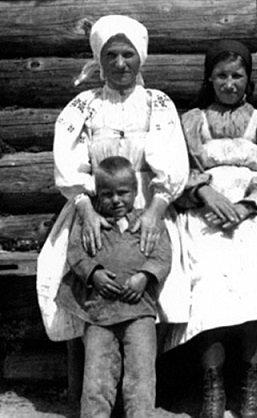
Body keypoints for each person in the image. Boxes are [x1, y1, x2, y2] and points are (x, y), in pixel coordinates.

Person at [36, 15, 189, 342]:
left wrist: (155, 211)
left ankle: (147, 358)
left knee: (161, 268)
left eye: (128, 54)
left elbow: (172, 159)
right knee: (69, 266)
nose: (120, 64)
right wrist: (86, 210)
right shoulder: (84, 105)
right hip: (95, 203)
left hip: (150, 201)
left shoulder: (157, 103)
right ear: (99, 60)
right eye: (111, 55)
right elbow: (69, 159)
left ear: (140, 57)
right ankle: (86, 356)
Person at [160, 40, 257, 418]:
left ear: (248, 79)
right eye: (221, 76)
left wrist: (245, 207)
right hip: (203, 215)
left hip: (252, 216)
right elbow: (176, 173)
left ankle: (251, 386)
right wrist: (204, 194)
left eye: (237, 76)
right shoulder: (190, 123)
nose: (229, 83)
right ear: (209, 79)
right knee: (208, 283)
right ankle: (212, 388)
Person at [55, 156, 171, 417]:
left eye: (123, 193)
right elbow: (76, 252)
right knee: (97, 377)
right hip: (99, 313)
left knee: (141, 375)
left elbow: (163, 255)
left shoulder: (148, 223)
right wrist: (93, 273)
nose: (116, 200)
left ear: (136, 191)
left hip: (139, 312)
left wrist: (144, 276)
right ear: (97, 193)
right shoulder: (89, 223)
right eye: (107, 194)